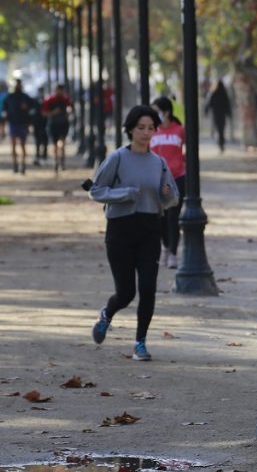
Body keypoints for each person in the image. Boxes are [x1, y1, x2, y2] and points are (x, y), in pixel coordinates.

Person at [88, 105, 179, 362]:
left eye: (151, 128)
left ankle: (140, 342)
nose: (146, 133)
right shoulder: (117, 158)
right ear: (130, 129)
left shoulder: (158, 163)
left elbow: (172, 199)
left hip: (150, 228)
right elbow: (96, 190)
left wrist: (167, 194)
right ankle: (107, 314)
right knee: (127, 292)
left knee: (148, 288)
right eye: (141, 128)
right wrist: (123, 194)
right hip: (120, 230)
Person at [150, 96, 185, 269]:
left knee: (173, 216)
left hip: (177, 178)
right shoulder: (152, 131)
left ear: (167, 112)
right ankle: (165, 245)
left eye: (157, 111)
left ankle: (172, 252)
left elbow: (188, 150)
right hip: (157, 179)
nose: (155, 114)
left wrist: (183, 162)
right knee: (161, 217)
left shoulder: (180, 130)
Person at [2, 79, 34, 174]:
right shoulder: (9, 97)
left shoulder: (26, 97)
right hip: (13, 123)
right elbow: (5, 110)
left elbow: (33, 108)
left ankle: (23, 164)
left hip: (23, 123)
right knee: (13, 145)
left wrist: (27, 109)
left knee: (23, 145)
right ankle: (15, 164)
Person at [42, 84, 73, 172]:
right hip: (53, 124)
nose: (60, 92)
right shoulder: (50, 100)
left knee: (62, 144)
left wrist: (68, 112)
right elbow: (44, 113)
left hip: (63, 124)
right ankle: (56, 162)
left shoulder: (66, 99)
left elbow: (71, 108)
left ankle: (62, 162)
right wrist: (53, 112)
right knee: (55, 145)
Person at [205, 79, 231, 153]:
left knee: (219, 130)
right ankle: (221, 143)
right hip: (221, 115)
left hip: (216, 115)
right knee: (221, 130)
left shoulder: (214, 94)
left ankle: (221, 143)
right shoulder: (223, 94)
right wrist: (229, 114)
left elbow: (209, 104)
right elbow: (227, 105)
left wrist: (206, 111)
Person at [30, 87, 48, 167]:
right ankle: (41, 156)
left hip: (41, 123)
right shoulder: (43, 100)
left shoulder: (44, 100)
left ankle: (40, 156)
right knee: (41, 140)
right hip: (41, 123)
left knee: (40, 140)